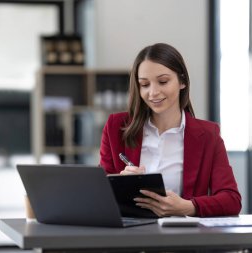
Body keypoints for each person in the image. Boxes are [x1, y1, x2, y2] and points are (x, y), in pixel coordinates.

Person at [99, 43, 242, 217]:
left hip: (182, 238)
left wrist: (189, 207)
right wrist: (117, 182)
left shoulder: (208, 135)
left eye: (163, 81)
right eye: (144, 84)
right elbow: (96, 192)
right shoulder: (116, 127)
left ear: (182, 81)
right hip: (130, 236)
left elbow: (231, 199)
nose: (153, 93)